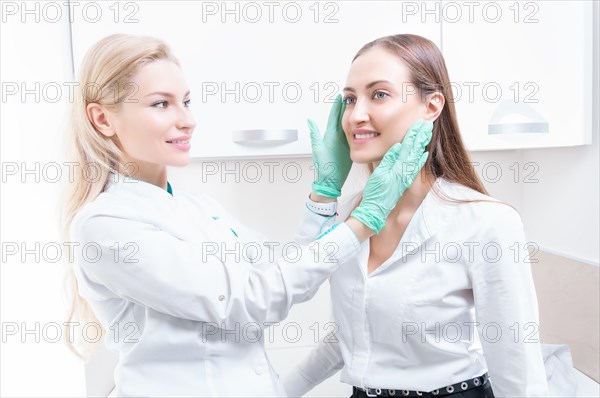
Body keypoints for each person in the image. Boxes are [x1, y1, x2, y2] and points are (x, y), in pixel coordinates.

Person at [60, 33, 432, 397]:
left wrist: (324, 195)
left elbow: (285, 273)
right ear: (103, 120)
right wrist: (363, 223)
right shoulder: (104, 227)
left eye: (186, 102)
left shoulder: (200, 209)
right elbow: (251, 301)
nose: (187, 120)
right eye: (161, 104)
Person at [282, 34, 550, 398]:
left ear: (431, 106)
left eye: (378, 94)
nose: (356, 115)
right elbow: (348, 331)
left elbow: (516, 364)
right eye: (349, 99)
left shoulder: (486, 223)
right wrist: (278, 390)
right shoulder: (350, 219)